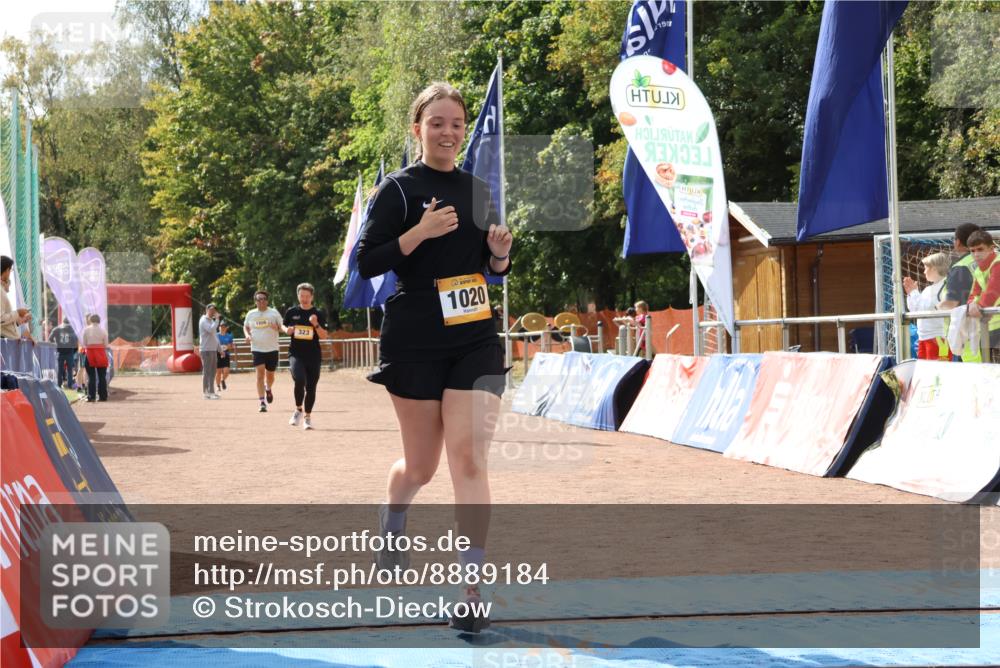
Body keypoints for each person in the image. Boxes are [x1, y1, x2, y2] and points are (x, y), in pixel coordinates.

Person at [356, 81, 512, 633]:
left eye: (456, 123)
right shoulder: (397, 191)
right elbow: (366, 263)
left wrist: (497, 258)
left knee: (467, 460)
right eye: (437, 122)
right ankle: (393, 516)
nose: (449, 132)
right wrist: (418, 233)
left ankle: (471, 588)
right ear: (418, 127)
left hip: (473, 337)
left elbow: (489, 267)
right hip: (415, 339)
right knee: (420, 466)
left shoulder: (478, 190)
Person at [282, 283, 329, 430]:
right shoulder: (291, 312)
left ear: (312, 297)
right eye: (302, 296)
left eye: (307, 296)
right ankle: (298, 410)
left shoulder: (318, 313)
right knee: (299, 379)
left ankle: (307, 417)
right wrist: (287, 330)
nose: (304, 299)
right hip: (296, 353)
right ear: (298, 296)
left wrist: (315, 324)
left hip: (313, 355)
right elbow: (283, 326)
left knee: (311, 387)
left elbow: (324, 336)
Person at [938, 223, 981, 361]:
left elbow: (951, 303)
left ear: (957, 242)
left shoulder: (962, 267)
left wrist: (935, 308)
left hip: (973, 336)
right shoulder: (992, 259)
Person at [903, 252, 951, 361]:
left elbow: (928, 308)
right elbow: (915, 309)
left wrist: (915, 293)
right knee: (924, 373)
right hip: (923, 337)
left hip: (939, 338)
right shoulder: (928, 289)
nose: (924, 272)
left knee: (938, 374)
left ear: (934, 268)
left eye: (926, 268)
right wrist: (911, 293)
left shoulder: (946, 286)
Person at [243, 290, 282, 412]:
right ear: (255, 301)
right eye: (259, 299)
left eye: (264, 299)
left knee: (270, 376)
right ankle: (262, 402)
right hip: (257, 348)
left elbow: (282, 327)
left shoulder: (274, 313)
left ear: (267, 300)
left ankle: (268, 388)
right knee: (260, 375)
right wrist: (247, 335)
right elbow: (245, 326)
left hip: (272, 349)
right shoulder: (251, 314)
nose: (261, 301)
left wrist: (277, 328)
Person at [966, 230, 1000, 364]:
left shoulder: (998, 263)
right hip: (988, 326)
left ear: (992, 248)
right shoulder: (978, 269)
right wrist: (971, 304)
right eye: (972, 251)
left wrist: (979, 306)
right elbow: (974, 293)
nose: (976, 254)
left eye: (980, 249)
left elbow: (993, 291)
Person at [80, 314, 109, 402]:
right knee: (102, 376)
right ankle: (103, 396)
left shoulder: (86, 330)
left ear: (90, 320)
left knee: (91, 376)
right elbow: (106, 344)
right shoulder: (103, 330)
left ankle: (91, 396)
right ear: (99, 320)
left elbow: (84, 343)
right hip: (100, 352)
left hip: (90, 353)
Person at [1, 255, 31, 339]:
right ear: (7, 270)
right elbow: (1, 319)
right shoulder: (0, 291)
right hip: (5, 342)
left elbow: (3, 323)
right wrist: (18, 312)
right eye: (11, 270)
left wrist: (19, 320)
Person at [49, 317, 79, 388]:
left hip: (60, 350)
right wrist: (73, 350)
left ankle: (59, 384)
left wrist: (56, 345)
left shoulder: (57, 329)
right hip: (69, 351)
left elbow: (50, 338)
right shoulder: (72, 329)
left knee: (60, 369)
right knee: (70, 369)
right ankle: (69, 385)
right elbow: (75, 341)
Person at [199, 304, 221, 399]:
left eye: (214, 310)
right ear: (207, 310)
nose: (213, 312)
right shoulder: (203, 320)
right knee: (207, 372)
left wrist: (220, 349)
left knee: (212, 372)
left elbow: (215, 336)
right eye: (211, 310)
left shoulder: (212, 321)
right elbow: (211, 330)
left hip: (212, 349)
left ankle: (211, 391)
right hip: (206, 349)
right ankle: (206, 392)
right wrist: (217, 320)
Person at [216, 322, 233, 392]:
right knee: (218, 372)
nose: (222, 328)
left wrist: (228, 346)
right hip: (217, 354)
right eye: (221, 326)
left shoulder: (229, 336)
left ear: (226, 328)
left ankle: (223, 380)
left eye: (224, 327)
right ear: (219, 327)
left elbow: (231, 345)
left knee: (227, 371)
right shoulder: (216, 335)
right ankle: (218, 386)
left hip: (226, 354)